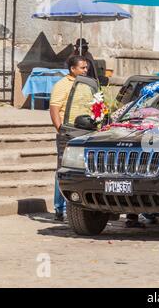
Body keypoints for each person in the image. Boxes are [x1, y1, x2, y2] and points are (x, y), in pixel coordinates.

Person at [50, 56, 88, 221]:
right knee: (64, 169)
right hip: (69, 132)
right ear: (72, 69)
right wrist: (61, 129)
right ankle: (61, 207)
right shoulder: (61, 85)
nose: (85, 70)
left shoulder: (86, 85)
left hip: (86, 132)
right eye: (82, 68)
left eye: (86, 67)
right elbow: (54, 109)